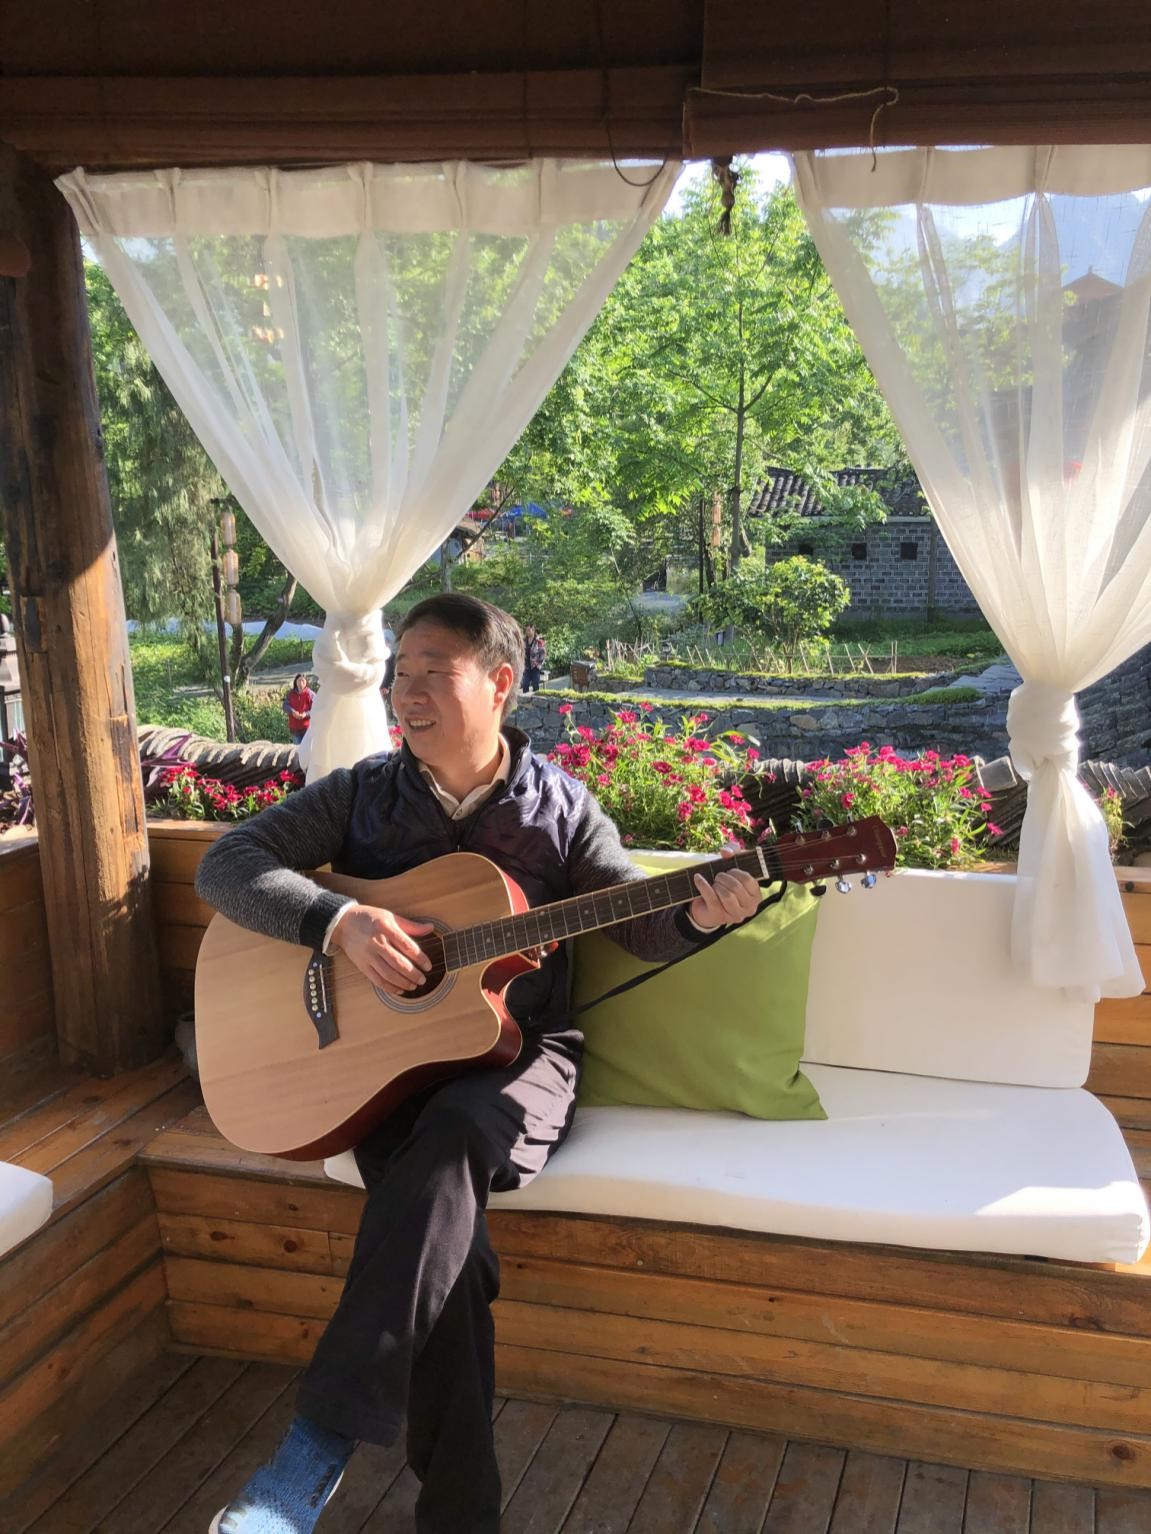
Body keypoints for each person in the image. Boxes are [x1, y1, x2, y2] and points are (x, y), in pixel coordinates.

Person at [195, 593, 760, 1534]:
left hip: (515, 1064)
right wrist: (340, 922)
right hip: (376, 1070)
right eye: (400, 673)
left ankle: (313, 1452)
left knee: (454, 1134)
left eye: (433, 673)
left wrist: (700, 915)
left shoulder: (561, 808)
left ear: (498, 682)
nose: (406, 693)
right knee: (448, 1269)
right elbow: (227, 865)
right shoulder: (360, 793)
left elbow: (635, 919)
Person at [282, 673, 314, 746]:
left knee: (307, 749)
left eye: (303, 681)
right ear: (296, 682)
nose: (301, 683)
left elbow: (316, 709)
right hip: (294, 729)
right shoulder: (291, 694)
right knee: (297, 750)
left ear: (306, 682)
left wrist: (306, 714)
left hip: (307, 728)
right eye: (299, 680)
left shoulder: (310, 694)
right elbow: (285, 706)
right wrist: (292, 711)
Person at [521, 624, 545, 692]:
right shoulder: (524, 640)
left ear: (533, 630)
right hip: (526, 667)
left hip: (535, 667)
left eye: (529, 630)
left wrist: (539, 665)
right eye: (526, 630)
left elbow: (543, 653)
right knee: (525, 684)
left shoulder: (538, 641)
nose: (527, 632)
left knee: (535, 685)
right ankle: (525, 698)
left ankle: (535, 698)